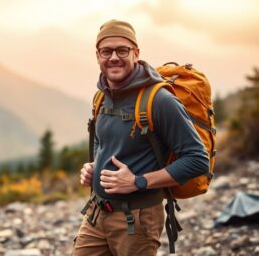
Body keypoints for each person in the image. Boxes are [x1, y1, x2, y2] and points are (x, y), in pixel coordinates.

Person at [72, 19, 209, 256]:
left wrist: (138, 181)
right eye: (106, 51)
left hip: (137, 219)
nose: (113, 57)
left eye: (122, 50)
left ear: (136, 53)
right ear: (97, 56)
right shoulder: (102, 96)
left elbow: (198, 160)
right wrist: (94, 165)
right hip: (97, 213)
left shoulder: (160, 101)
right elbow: (102, 141)